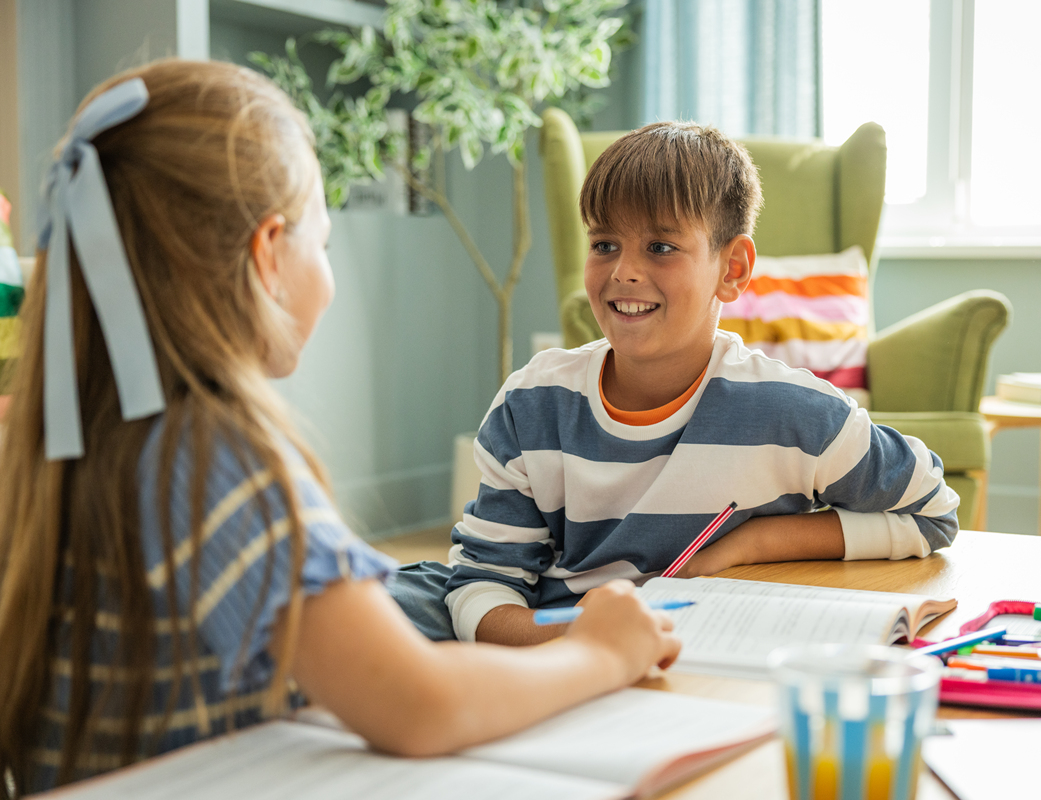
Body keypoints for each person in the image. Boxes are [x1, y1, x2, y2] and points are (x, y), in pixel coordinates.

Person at [0, 60, 680, 795]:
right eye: (319, 244)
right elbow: (418, 705)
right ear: (267, 254)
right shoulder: (210, 456)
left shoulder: (56, 440)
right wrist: (601, 654)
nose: (324, 274)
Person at [447, 121, 960, 646]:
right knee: (404, 600)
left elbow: (932, 512)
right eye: (604, 243)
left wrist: (753, 541)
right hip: (562, 651)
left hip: (710, 657)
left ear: (732, 269)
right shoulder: (531, 403)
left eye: (660, 247)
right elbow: (480, 588)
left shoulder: (791, 412)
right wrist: (590, 643)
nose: (623, 271)